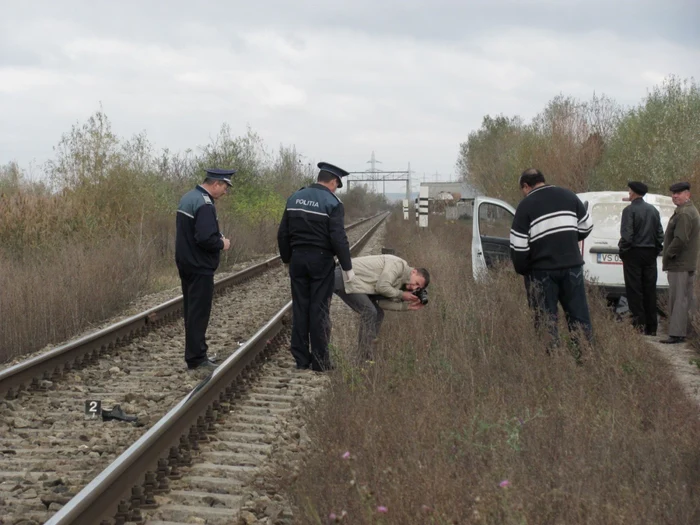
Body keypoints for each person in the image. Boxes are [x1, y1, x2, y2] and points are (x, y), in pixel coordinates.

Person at [277, 162, 353, 371]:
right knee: (319, 309)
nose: (336, 188)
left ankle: (301, 359)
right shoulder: (332, 202)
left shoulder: (294, 198)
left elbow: (283, 232)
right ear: (334, 181)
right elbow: (338, 238)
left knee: (300, 307)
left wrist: (286, 259)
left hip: (298, 260)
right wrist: (347, 267)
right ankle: (320, 362)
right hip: (321, 261)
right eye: (337, 184)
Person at [509, 168, 594, 354]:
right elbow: (587, 226)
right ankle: (585, 357)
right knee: (579, 317)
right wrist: (569, 239)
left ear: (525, 186)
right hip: (572, 267)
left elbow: (518, 246)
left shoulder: (525, 206)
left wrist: (524, 269)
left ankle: (551, 361)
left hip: (541, 271)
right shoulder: (569, 196)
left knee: (546, 319)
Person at [175, 168, 234, 371]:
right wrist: (222, 243)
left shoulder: (188, 197)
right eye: (225, 187)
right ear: (216, 184)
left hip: (186, 263)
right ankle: (197, 358)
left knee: (191, 311)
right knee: (199, 313)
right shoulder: (205, 204)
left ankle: (195, 354)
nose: (225, 192)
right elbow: (204, 237)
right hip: (200, 266)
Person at [333, 254, 430, 359]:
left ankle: (367, 351)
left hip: (356, 283)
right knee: (369, 311)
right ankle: (363, 356)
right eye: (416, 282)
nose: (414, 287)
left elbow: (380, 303)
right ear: (414, 272)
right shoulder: (398, 265)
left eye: (417, 287)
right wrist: (401, 294)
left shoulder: (400, 283)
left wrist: (407, 307)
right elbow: (382, 286)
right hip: (346, 278)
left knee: (379, 313)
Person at [618, 181, 664, 336]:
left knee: (634, 289)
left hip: (634, 253)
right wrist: (655, 250)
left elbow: (627, 236)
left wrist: (623, 252)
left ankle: (638, 325)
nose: (628, 193)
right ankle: (652, 327)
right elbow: (660, 235)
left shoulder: (629, 211)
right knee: (650, 289)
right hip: (650, 253)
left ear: (633, 193)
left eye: (629, 191)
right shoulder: (653, 210)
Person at [660, 182, 700, 344]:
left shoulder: (684, 213)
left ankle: (677, 334)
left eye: (679, 193)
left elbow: (681, 239)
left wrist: (668, 254)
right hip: (686, 263)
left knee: (678, 299)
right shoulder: (687, 211)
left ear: (687, 195)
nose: (674, 196)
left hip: (680, 263)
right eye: (673, 193)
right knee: (686, 299)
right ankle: (689, 332)